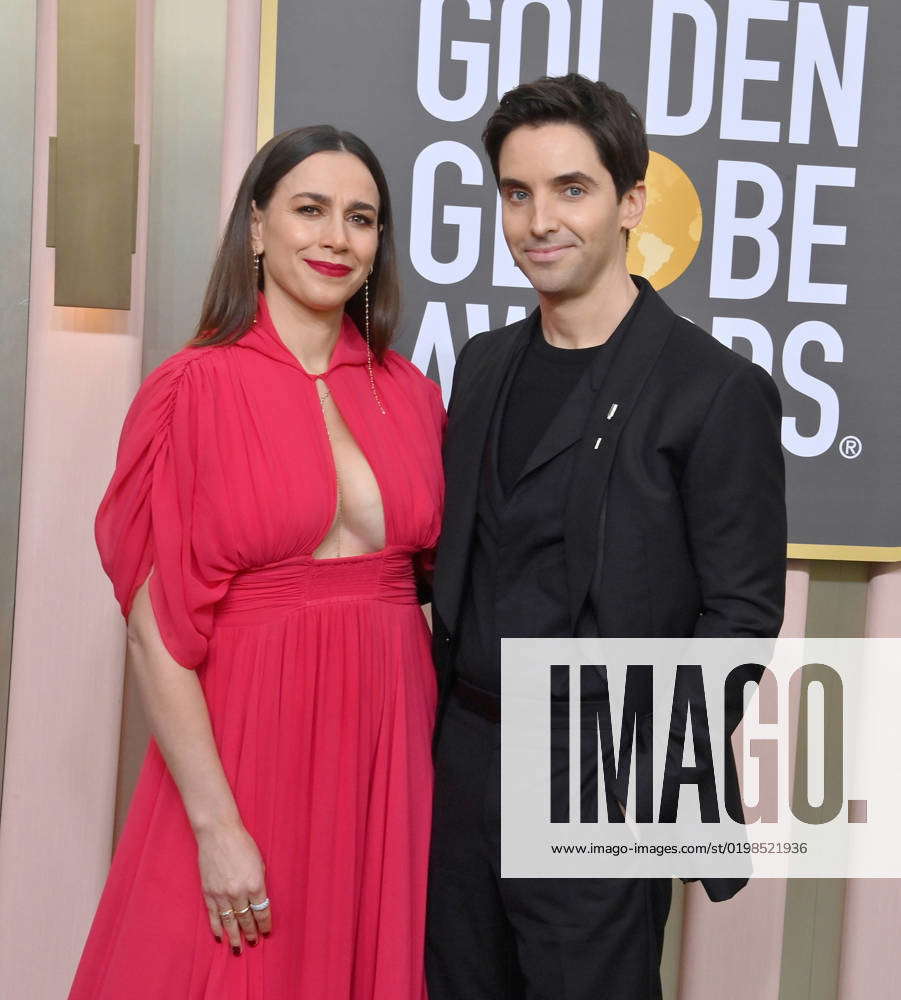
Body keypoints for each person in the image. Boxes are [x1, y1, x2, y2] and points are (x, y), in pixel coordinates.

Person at [427, 74, 786, 1000]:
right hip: (463, 760)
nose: (539, 220)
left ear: (630, 203)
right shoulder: (483, 363)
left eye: (570, 189)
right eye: (517, 193)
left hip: (600, 771)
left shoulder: (713, 390)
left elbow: (741, 615)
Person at [69, 125, 444, 999]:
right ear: (256, 227)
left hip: (388, 750)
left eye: (360, 218)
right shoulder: (192, 390)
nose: (334, 238)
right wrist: (215, 825)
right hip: (246, 744)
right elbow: (156, 634)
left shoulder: (413, 395)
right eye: (308, 210)